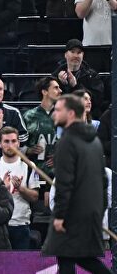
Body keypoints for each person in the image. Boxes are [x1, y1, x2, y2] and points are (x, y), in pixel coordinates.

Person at [42, 93, 108, 272]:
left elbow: (65, 182)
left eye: (58, 110)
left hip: (72, 214)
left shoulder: (67, 141)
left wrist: (60, 215)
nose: (54, 114)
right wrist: (99, 212)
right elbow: (103, 182)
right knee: (74, 258)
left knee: (71, 256)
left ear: (70, 114)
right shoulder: (94, 141)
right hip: (90, 213)